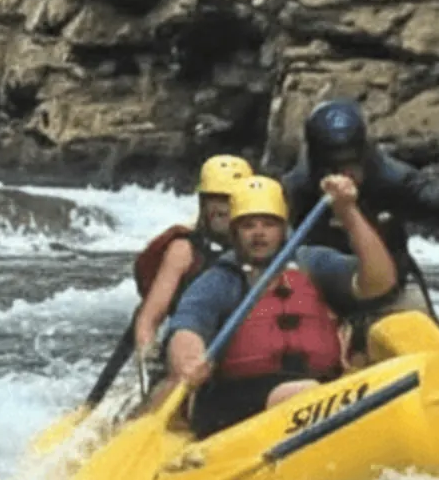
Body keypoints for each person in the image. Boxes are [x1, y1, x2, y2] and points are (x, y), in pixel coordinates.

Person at [161, 173, 399, 439]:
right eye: (248, 225)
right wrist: (188, 358)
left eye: (268, 224)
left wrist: (348, 212)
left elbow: (380, 282)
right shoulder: (222, 278)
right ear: (235, 232)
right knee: (301, 392)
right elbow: (187, 325)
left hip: (321, 390)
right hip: (236, 395)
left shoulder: (310, 263)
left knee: (404, 328)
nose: (259, 233)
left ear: (283, 228)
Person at [275, 98, 439, 343]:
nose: (346, 174)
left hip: (393, 290)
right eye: (334, 166)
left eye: (352, 163)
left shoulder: (393, 179)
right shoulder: (296, 189)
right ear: (318, 162)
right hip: (325, 293)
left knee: (432, 343)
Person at [128, 155, 252, 396]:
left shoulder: (262, 247)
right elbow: (149, 319)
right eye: (212, 199)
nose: (220, 208)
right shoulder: (184, 251)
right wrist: (149, 361)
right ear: (202, 203)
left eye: (228, 199)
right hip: (189, 352)